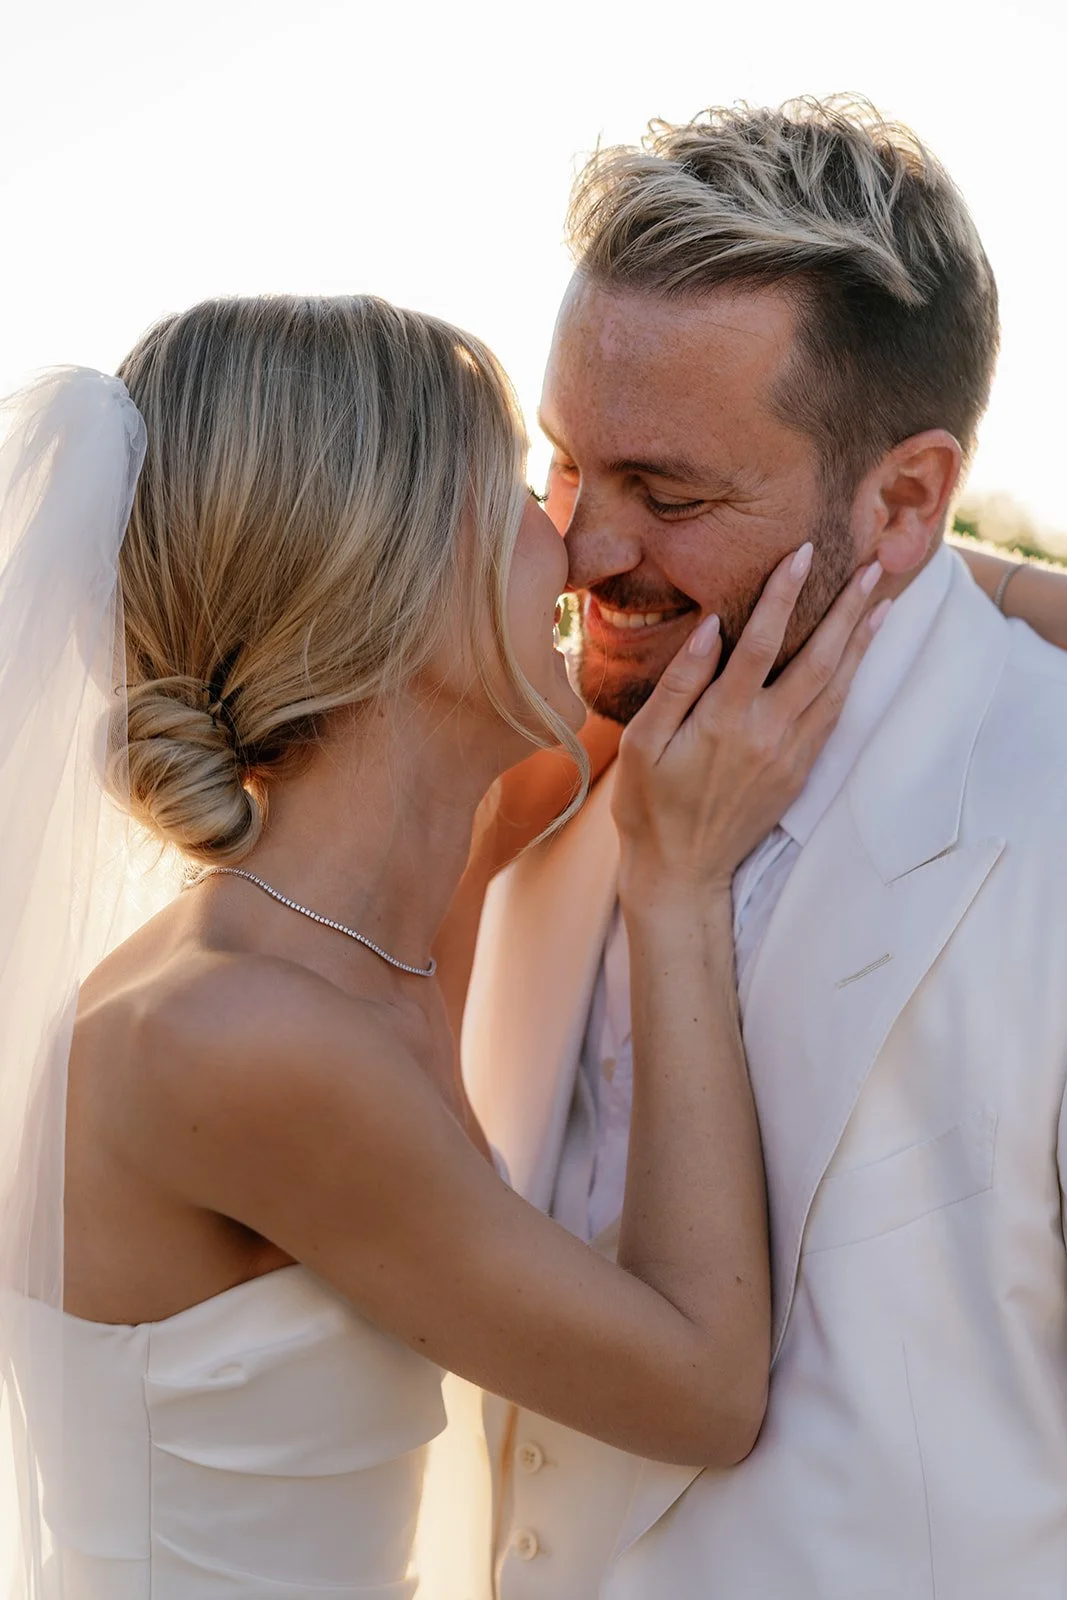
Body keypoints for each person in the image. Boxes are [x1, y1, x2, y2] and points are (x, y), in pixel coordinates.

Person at [0, 297, 880, 1599]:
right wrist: (677, 888)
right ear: (392, 570)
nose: (578, 544)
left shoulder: (407, 891)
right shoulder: (230, 1040)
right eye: (526, 492)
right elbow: (698, 1391)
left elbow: (762, 613)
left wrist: (900, 550)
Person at [457, 96, 1067, 1599]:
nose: (584, 550)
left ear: (907, 500)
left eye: (666, 494)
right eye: (565, 465)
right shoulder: (517, 765)